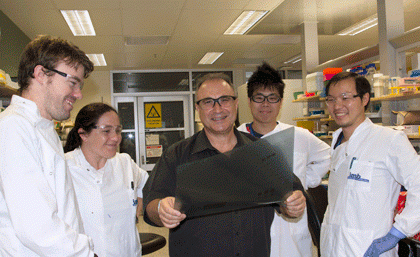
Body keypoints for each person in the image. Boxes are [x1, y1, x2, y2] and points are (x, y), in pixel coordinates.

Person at [143, 72, 307, 256]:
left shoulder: (263, 153)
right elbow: (150, 207)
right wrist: (161, 209)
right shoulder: (176, 155)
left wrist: (293, 203)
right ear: (198, 109)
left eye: (224, 100)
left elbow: (288, 197)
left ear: (236, 104)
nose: (218, 109)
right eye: (208, 102)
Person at [0, 35, 96, 256]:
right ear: (41, 74)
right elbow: (37, 228)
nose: (79, 94)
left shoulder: (43, 129)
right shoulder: (14, 128)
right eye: (73, 82)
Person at [320, 71, 420, 257]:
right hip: (333, 247)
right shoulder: (336, 142)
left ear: (365, 98)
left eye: (345, 97)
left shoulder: (389, 139)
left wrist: (398, 232)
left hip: (369, 249)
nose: (337, 106)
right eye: (331, 99)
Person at [237, 62, 330, 256]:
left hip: (290, 235)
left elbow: (328, 156)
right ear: (249, 100)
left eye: (272, 98)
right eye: (259, 98)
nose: (265, 104)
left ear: (280, 101)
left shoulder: (299, 135)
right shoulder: (235, 138)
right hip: (249, 229)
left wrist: (305, 180)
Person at [64, 103, 149, 257]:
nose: (116, 138)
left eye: (118, 130)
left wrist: (138, 205)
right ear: (83, 134)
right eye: (106, 131)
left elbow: (146, 183)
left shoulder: (124, 162)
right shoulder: (64, 168)